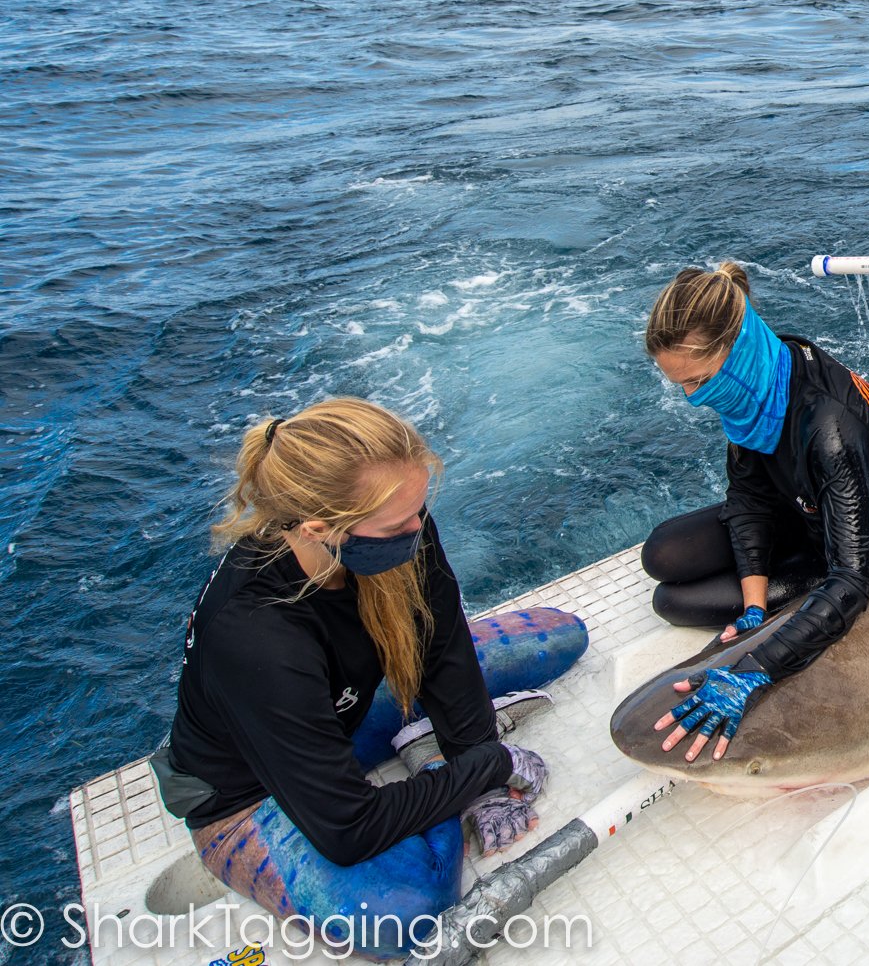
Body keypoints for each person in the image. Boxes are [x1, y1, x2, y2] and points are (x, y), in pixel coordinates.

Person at [158, 398, 588, 959]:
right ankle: (428, 758)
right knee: (410, 915)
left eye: (419, 508)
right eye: (401, 523)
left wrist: (475, 748)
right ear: (319, 528)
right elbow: (349, 829)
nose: (420, 527)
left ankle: (424, 745)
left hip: (346, 704)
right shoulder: (255, 635)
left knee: (561, 635)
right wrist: (486, 767)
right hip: (248, 789)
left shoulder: (389, 523)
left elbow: (442, 639)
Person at [641, 262, 869, 761]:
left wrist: (752, 669)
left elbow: (851, 579)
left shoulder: (828, 423)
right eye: (682, 386)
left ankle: (794, 607)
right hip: (805, 508)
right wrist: (756, 608)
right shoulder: (752, 379)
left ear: (734, 347)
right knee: (664, 555)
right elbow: (748, 499)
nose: (694, 400)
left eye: (698, 382)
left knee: (677, 604)